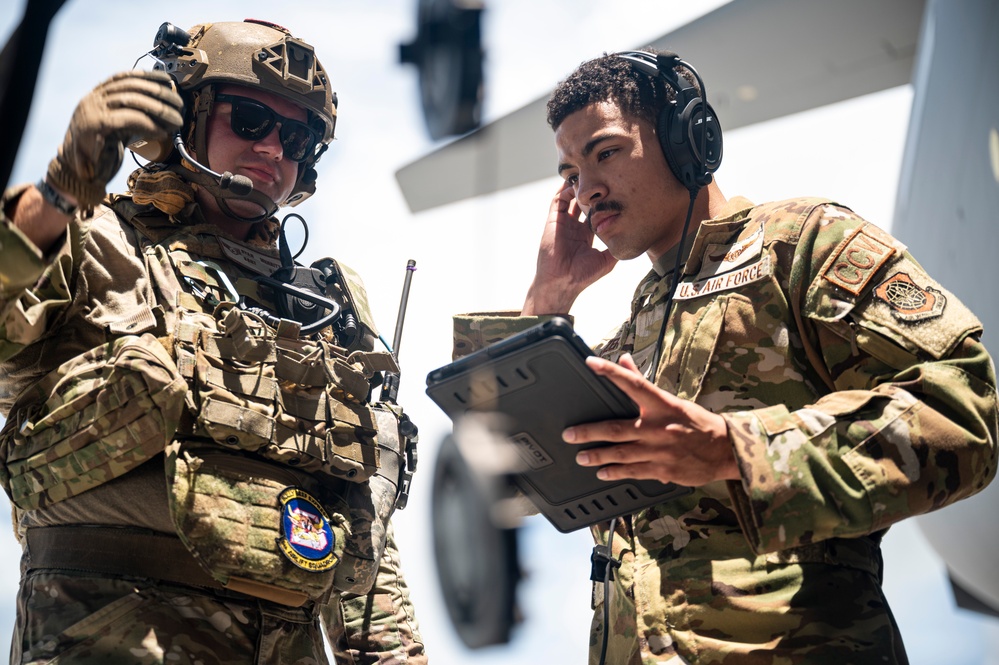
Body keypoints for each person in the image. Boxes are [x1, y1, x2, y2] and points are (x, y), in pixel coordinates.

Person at [451, 49, 998, 664]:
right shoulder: (631, 339)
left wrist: (734, 450)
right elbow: (508, 478)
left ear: (690, 139)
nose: (587, 190)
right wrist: (546, 301)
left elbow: (961, 411)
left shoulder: (803, 244)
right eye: (571, 174)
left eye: (605, 152)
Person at [0, 19, 426, 664]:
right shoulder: (95, 237)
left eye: (297, 136)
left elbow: (363, 515)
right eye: (251, 120)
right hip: (115, 627)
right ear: (186, 120)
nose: (273, 149)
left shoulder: (326, 300)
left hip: (290, 638)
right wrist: (62, 190)